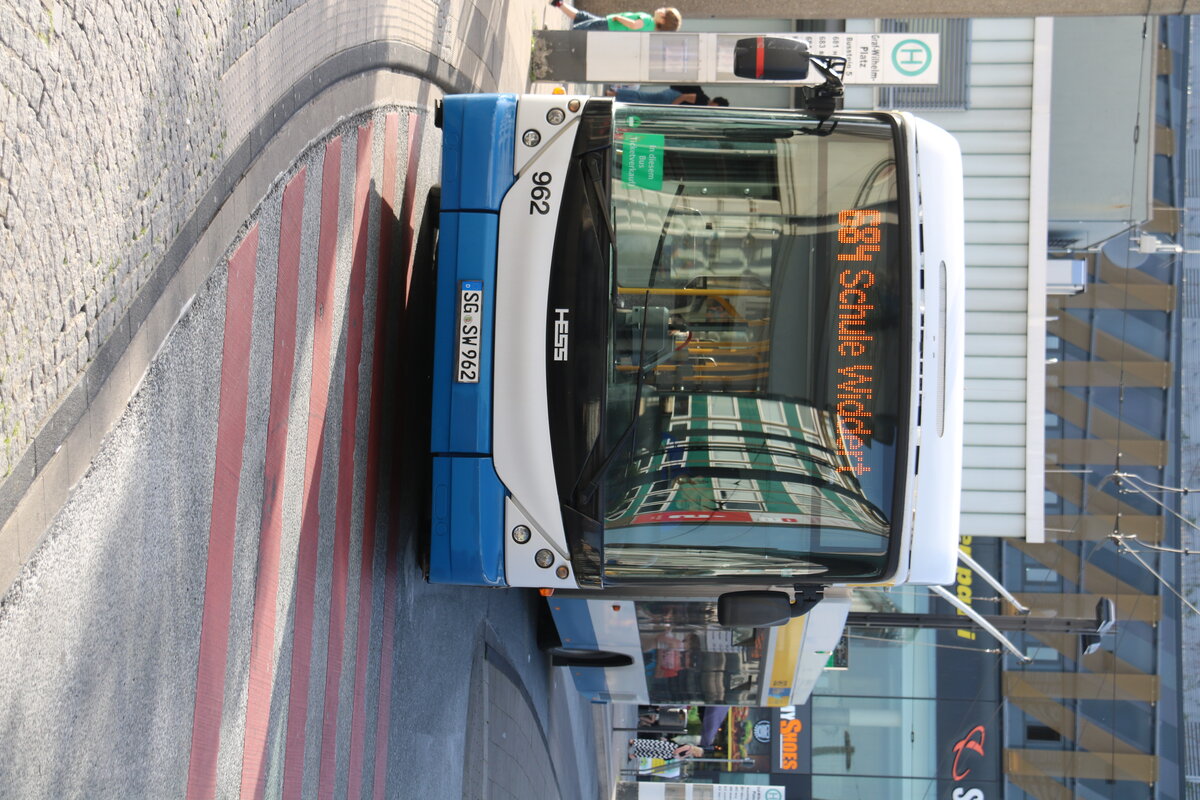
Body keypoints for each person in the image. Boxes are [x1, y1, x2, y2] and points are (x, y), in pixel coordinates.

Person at [550, 2, 682, 32]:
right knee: (583, 17)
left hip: (610, 24)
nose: (662, 9)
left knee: (582, 28)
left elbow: (634, 25)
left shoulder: (648, 20)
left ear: (664, 19)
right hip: (611, 26)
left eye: (664, 11)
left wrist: (619, 18)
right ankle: (559, 3)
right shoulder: (650, 28)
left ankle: (550, 37)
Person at [628, 737, 703, 760]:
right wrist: (677, 756)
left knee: (652, 754)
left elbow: (680, 758)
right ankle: (634, 742)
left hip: (669, 754)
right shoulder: (689, 747)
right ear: (697, 751)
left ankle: (634, 755)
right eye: (697, 754)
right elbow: (678, 750)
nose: (696, 756)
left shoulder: (689, 753)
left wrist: (678, 756)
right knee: (651, 745)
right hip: (670, 748)